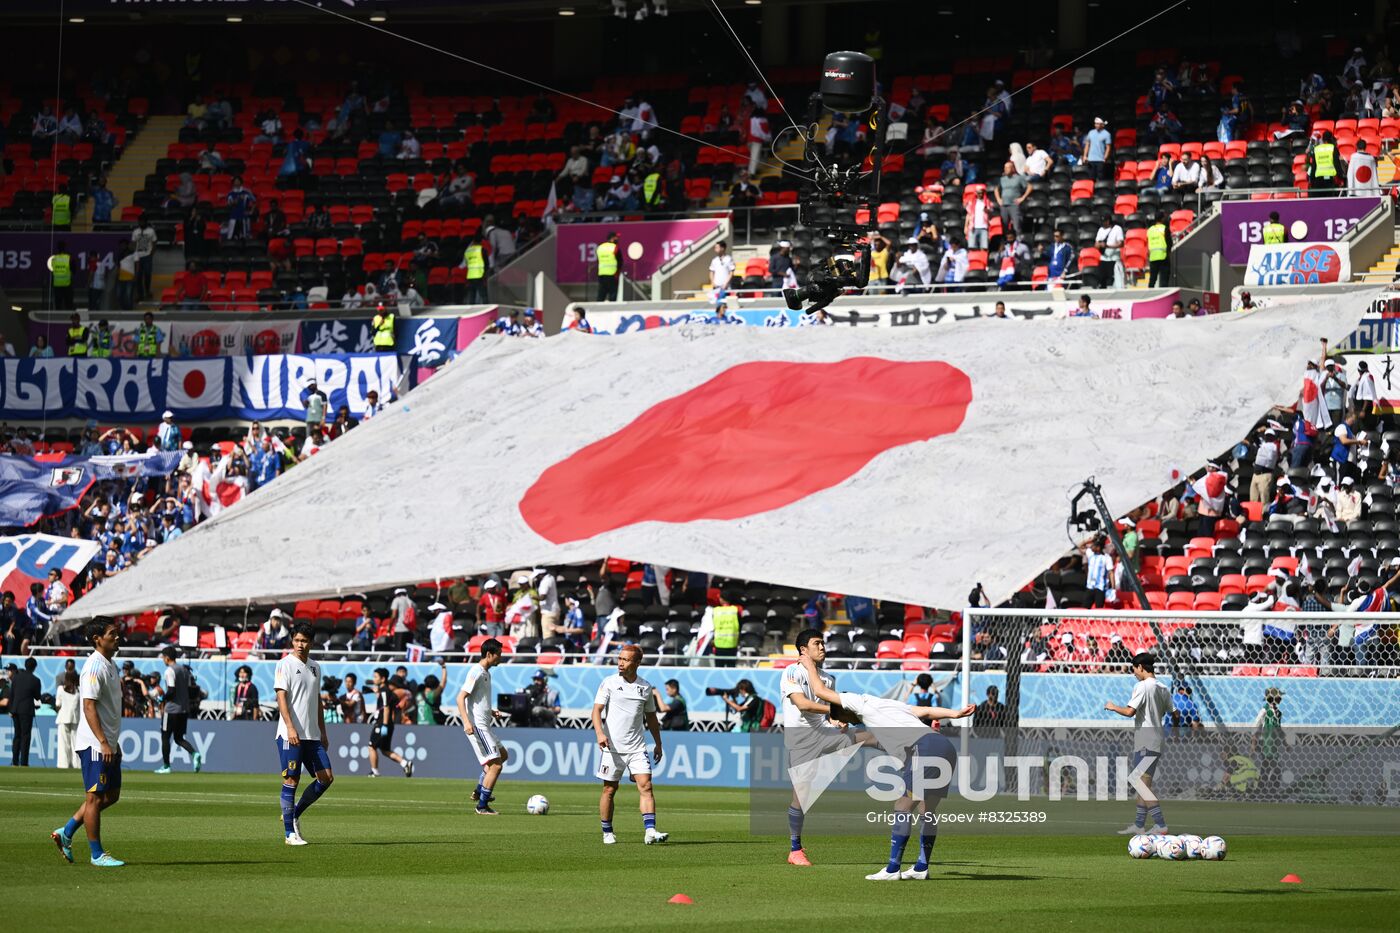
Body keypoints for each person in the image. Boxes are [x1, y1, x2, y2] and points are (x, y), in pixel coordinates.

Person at [796, 652, 973, 881]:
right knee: (926, 811)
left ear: (846, 706)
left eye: (846, 718)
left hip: (925, 748)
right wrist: (955, 713)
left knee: (902, 806)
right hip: (943, 746)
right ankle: (921, 867)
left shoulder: (857, 702)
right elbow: (926, 712)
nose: (848, 721)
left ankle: (892, 869)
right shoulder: (887, 705)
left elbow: (821, 692)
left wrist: (810, 665)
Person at [51, 619, 127, 867]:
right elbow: (88, 705)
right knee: (94, 798)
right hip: (95, 744)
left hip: (108, 743)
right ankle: (97, 854)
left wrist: (113, 743)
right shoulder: (94, 667)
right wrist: (104, 742)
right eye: (112, 634)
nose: (117, 637)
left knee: (112, 795)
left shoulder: (110, 664)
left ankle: (67, 831)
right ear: (98, 639)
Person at [781, 628, 850, 867]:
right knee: (801, 794)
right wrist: (835, 711)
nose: (823, 647)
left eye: (823, 643)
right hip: (800, 740)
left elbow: (827, 712)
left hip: (823, 734)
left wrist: (836, 719)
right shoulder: (792, 671)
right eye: (817, 643)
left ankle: (905, 750)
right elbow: (802, 704)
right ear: (803, 650)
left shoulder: (828, 679)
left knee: (865, 737)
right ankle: (795, 849)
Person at [592, 644, 668, 845]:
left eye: (625, 660)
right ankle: (607, 832)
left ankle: (650, 831)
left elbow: (651, 719)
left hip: (637, 747)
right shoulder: (608, 683)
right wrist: (600, 733)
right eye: (620, 659)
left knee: (646, 786)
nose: (620, 663)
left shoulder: (645, 687)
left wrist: (658, 744)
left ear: (637, 663)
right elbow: (596, 711)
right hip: (612, 748)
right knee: (610, 789)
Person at [274, 623, 334, 846]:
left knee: (326, 777)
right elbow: (281, 698)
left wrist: (323, 731)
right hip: (290, 734)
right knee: (292, 779)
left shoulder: (315, 667)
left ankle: (294, 813)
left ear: (312, 643)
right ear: (292, 641)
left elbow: (317, 701)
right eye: (297, 640)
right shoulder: (284, 665)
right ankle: (290, 834)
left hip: (312, 735)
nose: (301, 644)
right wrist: (290, 727)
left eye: (305, 641)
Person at [1105, 652, 1171, 835]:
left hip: (1145, 742)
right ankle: (1139, 825)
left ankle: (1160, 824)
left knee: (1138, 782)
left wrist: (1112, 707)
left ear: (1141, 668)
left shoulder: (1142, 686)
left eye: (1134, 669)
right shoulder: (1163, 688)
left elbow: (1129, 712)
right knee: (1143, 784)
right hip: (1156, 740)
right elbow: (1173, 712)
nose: (1134, 673)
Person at [459, 638, 509, 814]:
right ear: (489, 654)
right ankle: (482, 805)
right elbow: (460, 698)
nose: (500, 658)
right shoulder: (476, 672)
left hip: (485, 724)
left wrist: (491, 711)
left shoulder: (486, 673)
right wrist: (466, 722)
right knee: (496, 766)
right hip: (477, 727)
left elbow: (478, 700)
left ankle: (480, 790)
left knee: (503, 755)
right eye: (499, 655)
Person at [154, 647, 201, 774]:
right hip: (184, 709)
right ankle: (194, 753)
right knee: (179, 738)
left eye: (163, 657)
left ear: (167, 658)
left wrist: (161, 699)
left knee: (165, 737)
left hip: (171, 710)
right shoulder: (184, 670)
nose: (163, 660)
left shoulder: (169, 670)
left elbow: (171, 690)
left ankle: (166, 766)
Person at [367, 667, 413, 778]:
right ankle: (405, 763)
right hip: (387, 723)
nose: (374, 679)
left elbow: (386, 707)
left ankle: (375, 771)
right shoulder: (386, 691)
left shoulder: (384, 691)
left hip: (382, 723)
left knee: (371, 746)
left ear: (383, 679)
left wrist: (385, 724)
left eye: (376, 677)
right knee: (385, 750)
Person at [9, 656, 41, 766]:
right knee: (25, 737)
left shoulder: (16, 678)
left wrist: (11, 709)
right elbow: (37, 697)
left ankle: (14, 761)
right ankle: (24, 762)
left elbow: (11, 694)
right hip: (27, 711)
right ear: (34, 667)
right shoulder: (35, 680)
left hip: (15, 710)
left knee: (17, 736)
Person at [56, 669, 81, 768]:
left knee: (63, 744)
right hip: (75, 718)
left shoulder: (60, 689)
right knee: (76, 744)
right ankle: (76, 764)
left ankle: (63, 764)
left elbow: (58, 704)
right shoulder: (79, 690)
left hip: (63, 718)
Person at [1146, 214, 1171, 287]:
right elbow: (1169, 243)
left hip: (1153, 257)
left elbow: (1148, 242)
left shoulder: (1150, 230)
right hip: (1163, 256)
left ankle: (1149, 295)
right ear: (1162, 219)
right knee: (1164, 279)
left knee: (1152, 279)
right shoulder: (1164, 228)